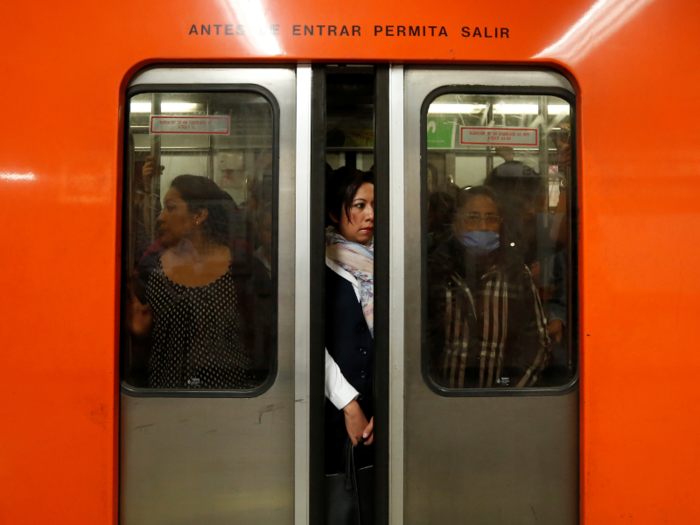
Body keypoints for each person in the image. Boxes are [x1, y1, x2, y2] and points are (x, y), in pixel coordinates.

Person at [129, 174, 268, 389]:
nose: (160, 218)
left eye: (171, 208)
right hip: (160, 396)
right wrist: (138, 333)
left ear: (200, 215)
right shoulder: (151, 269)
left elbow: (263, 341)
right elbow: (138, 347)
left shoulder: (244, 270)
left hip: (234, 397)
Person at [427, 186, 550, 389]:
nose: (483, 226)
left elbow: (537, 342)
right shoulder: (433, 271)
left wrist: (511, 392)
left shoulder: (516, 273)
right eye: (472, 217)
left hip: (500, 402)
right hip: (440, 399)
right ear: (456, 224)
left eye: (491, 218)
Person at [324, 167, 376, 523]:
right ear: (333, 213)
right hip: (333, 406)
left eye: (374, 205)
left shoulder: (391, 259)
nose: (370, 215)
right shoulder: (320, 261)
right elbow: (309, 345)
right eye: (359, 205)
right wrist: (349, 405)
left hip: (381, 407)